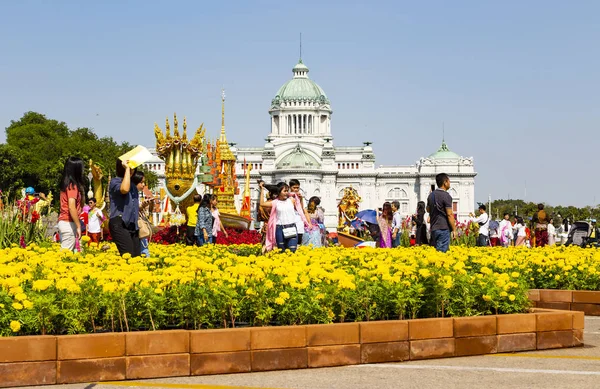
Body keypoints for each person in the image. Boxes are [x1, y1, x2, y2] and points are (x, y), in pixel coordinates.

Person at [260, 181, 310, 253]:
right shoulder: (275, 202)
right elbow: (262, 204)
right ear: (279, 192)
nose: (287, 193)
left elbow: (300, 209)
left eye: (287, 191)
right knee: (282, 251)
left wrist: (301, 199)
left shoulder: (291, 200)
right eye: (285, 191)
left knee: (292, 250)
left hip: (291, 228)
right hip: (280, 229)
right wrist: (262, 190)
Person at [109, 159, 143, 257]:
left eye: (133, 168)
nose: (132, 170)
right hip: (119, 222)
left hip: (132, 225)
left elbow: (132, 207)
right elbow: (124, 189)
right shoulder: (115, 181)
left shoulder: (133, 186)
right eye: (129, 167)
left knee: (137, 257)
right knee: (128, 255)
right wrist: (127, 169)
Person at [58, 157, 85, 251]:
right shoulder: (72, 186)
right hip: (68, 223)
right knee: (65, 255)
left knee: (71, 254)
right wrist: (78, 226)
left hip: (65, 222)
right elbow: (71, 207)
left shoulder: (66, 184)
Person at [426, 173, 457, 253]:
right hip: (443, 227)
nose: (450, 183)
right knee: (442, 255)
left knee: (436, 252)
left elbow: (428, 209)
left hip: (434, 228)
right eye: (449, 181)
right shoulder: (446, 196)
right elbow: (450, 214)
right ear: (445, 182)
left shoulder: (431, 195)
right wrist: (454, 230)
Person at [289, 179, 309, 245]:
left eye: (297, 188)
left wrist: (300, 200)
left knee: (299, 243)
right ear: (290, 187)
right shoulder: (287, 198)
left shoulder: (301, 198)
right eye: (294, 187)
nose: (296, 189)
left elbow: (304, 211)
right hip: (290, 224)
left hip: (300, 224)